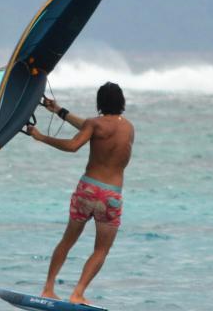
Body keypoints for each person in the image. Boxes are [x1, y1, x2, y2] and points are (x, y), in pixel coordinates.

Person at [27, 82, 134, 305]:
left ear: (100, 103)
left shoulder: (94, 124)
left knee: (67, 241)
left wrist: (41, 137)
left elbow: (76, 143)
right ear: (121, 102)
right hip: (110, 196)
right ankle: (78, 293)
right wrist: (58, 110)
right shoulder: (129, 128)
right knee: (101, 250)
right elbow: (89, 128)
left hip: (87, 190)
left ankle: (48, 289)